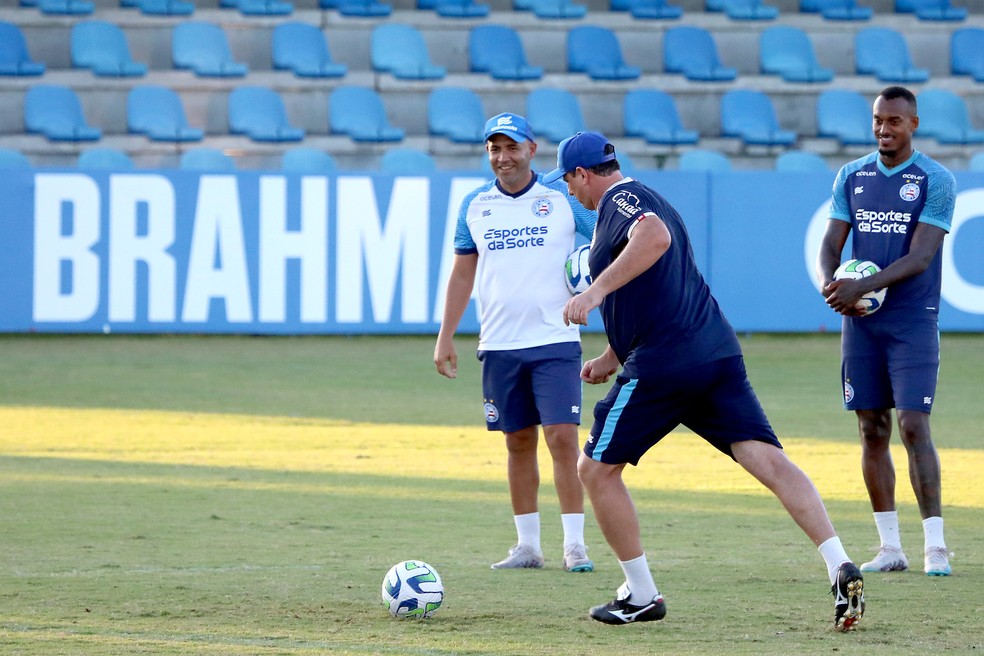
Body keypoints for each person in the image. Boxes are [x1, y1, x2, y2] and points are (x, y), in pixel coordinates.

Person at [544, 131, 865, 630]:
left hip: (667, 363)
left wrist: (592, 293)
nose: (569, 192)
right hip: (713, 351)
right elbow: (662, 287)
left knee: (595, 470)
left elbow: (654, 240)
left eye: (568, 181)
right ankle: (839, 562)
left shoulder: (622, 201)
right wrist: (611, 354)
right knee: (765, 457)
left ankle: (642, 595)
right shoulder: (651, 200)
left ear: (583, 173)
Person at [434, 113, 597, 573]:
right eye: (494, 149)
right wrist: (446, 335)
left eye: (511, 148)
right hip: (500, 344)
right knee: (517, 441)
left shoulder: (563, 199)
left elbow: (609, 238)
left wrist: (591, 284)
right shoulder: (475, 205)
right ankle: (527, 546)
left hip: (555, 340)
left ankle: (575, 545)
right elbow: (463, 272)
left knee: (563, 438)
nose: (502, 158)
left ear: (532, 149)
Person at [816, 86, 956, 577]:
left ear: (913, 123)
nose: (883, 129)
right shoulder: (851, 176)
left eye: (894, 121)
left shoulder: (935, 180)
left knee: (913, 425)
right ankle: (890, 548)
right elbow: (830, 244)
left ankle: (935, 545)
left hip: (913, 320)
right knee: (870, 428)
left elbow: (920, 259)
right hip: (862, 325)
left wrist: (863, 286)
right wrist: (831, 287)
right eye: (878, 120)